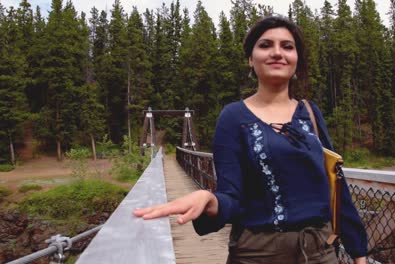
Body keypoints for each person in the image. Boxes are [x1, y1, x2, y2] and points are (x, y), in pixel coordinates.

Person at [134, 15, 367, 264]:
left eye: (287, 46)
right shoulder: (233, 117)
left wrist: (359, 252)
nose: (277, 52)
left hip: (319, 253)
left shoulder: (310, 112)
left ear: (296, 61)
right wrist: (210, 199)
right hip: (256, 254)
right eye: (265, 45)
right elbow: (231, 196)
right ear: (250, 59)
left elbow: (336, 186)